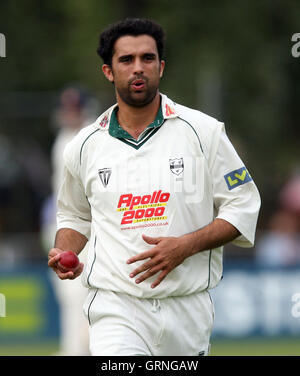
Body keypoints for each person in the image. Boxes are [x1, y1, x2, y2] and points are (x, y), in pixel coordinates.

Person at [48, 18, 261, 356]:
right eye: (126, 60)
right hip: (116, 308)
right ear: (108, 71)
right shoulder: (83, 145)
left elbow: (243, 205)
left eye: (147, 59)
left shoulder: (204, 132)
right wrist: (63, 252)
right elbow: (74, 216)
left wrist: (185, 246)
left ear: (161, 67)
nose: (138, 68)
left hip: (187, 308)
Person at [42, 86, 97, 355]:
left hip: (90, 228)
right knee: (69, 295)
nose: (70, 114)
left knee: (85, 292)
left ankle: (82, 349)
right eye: (67, 109)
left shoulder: (92, 137)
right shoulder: (62, 139)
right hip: (63, 224)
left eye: (74, 109)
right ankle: (74, 348)